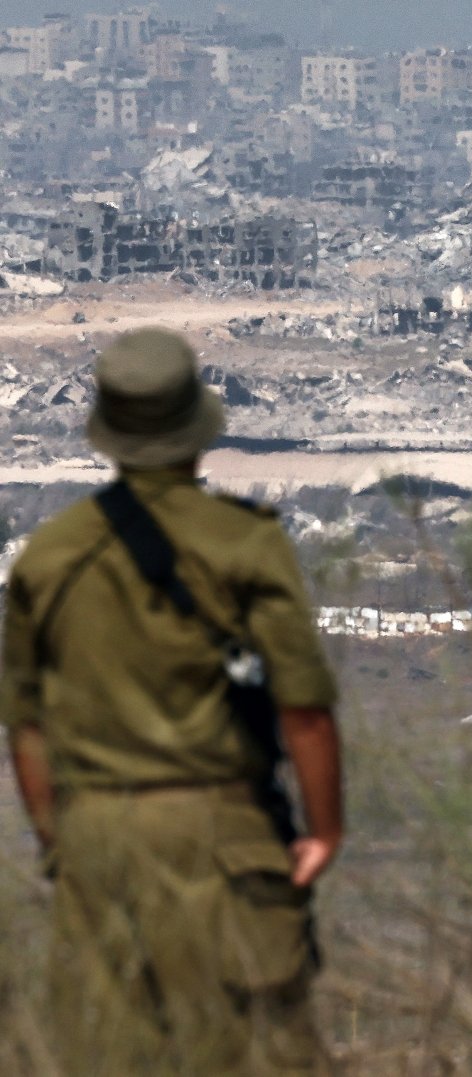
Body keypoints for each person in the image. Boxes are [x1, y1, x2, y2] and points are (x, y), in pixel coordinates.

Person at [1, 328, 343, 1076]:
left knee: (109, 1055)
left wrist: (61, 840)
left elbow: (25, 725)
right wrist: (324, 829)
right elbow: (305, 709)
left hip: (98, 840)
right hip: (221, 831)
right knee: (253, 1050)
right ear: (198, 429)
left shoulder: (51, 556)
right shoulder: (243, 543)